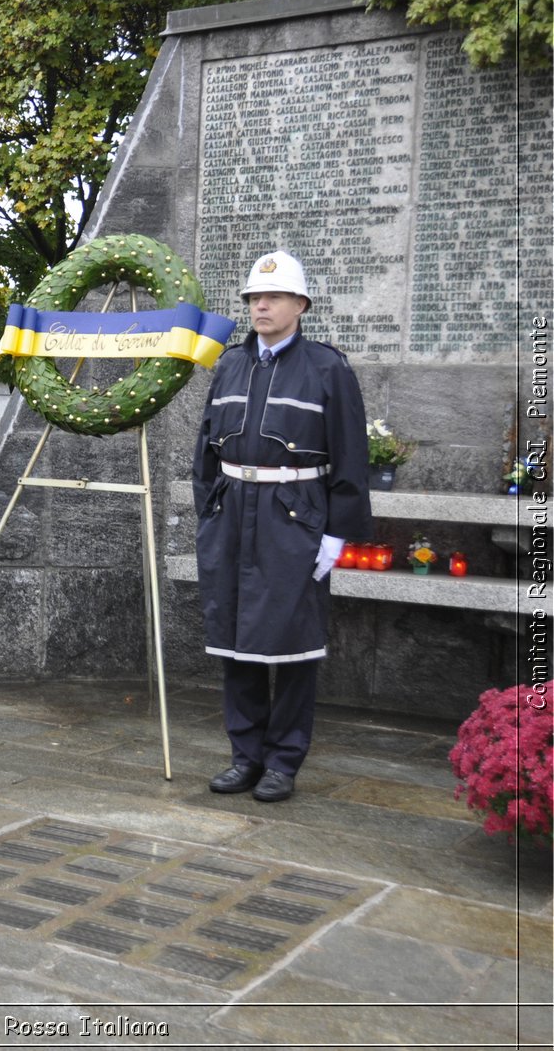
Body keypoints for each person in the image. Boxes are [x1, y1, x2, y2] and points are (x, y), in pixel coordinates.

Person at [193, 250, 372, 803]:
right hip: (233, 514)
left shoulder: (327, 368)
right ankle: (245, 756)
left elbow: (350, 455)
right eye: (253, 297)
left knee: (292, 646)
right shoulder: (229, 364)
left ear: (300, 304)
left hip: (292, 519)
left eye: (272, 297)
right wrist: (209, 513)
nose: (260, 305)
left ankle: (283, 762)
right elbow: (205, 447)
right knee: (237, 640)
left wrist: (336, 533)